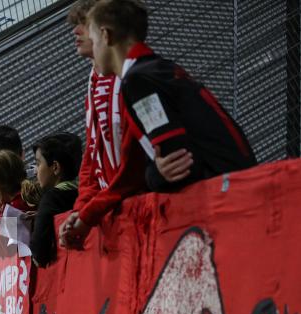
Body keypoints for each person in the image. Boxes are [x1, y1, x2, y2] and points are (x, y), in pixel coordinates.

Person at [63, 0, 258, 247]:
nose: (83, 39)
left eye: (90, 33)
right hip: (236, 190)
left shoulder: (138, 81)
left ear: (105, 35)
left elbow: (178, 164)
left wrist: (153, 176)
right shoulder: (153, 70)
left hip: (228, 202)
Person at [59, 0, 149, 251]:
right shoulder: (94, 79)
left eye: (84, 25)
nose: (76, 32)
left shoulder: (136, 76)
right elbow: (93, 152)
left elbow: (135, 164)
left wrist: (90, 212)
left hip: (140, 207)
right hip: (118, 209)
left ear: (104, 31)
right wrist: (82, 208)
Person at [30, 133, 83, 267]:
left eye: (38, 163)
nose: (35, 171)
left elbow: (39, 253)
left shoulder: (52, 199)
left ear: (55, 167)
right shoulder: (86, 193)